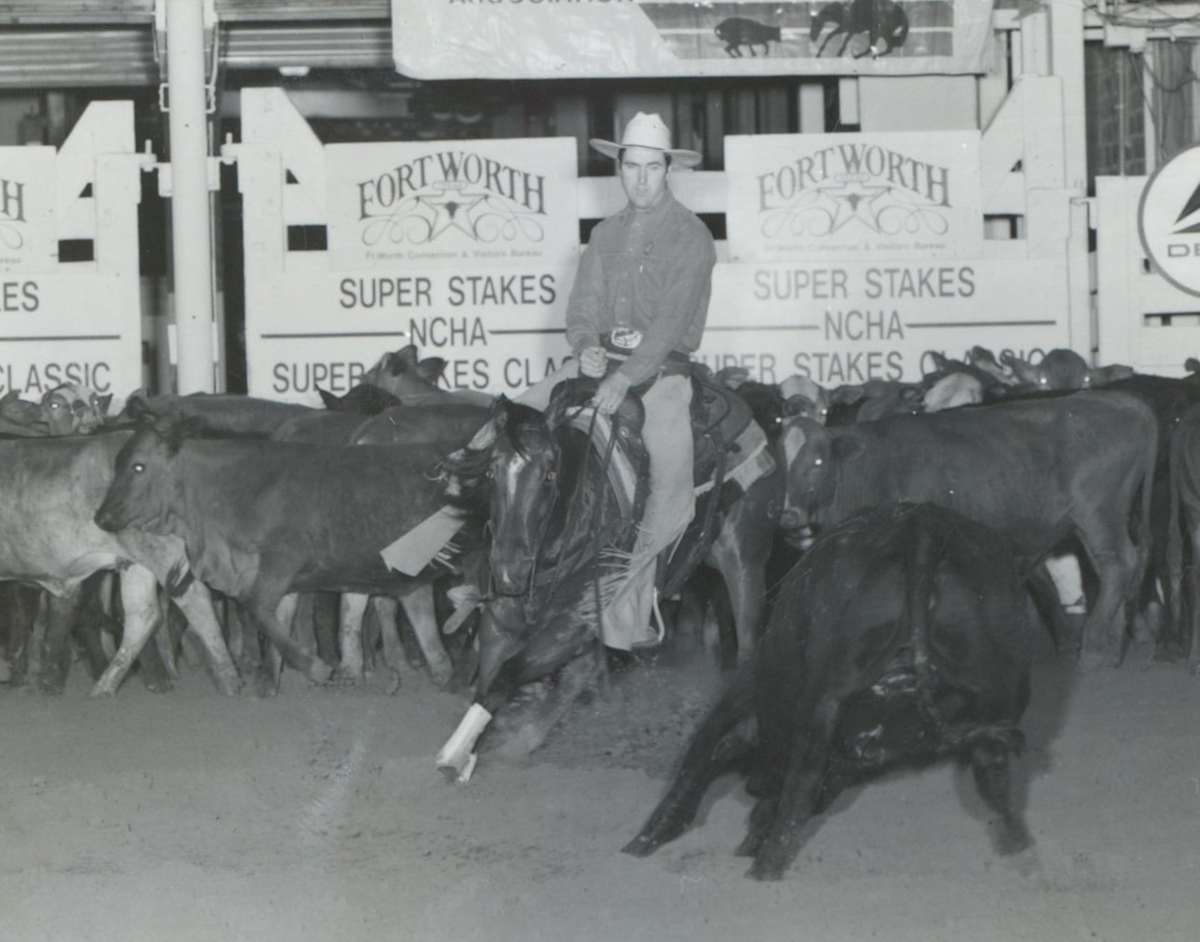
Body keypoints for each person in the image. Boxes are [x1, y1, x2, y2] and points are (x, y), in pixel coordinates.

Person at [506, 112, 716, 649]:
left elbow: (670, 326)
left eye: (652, 167)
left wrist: (624, 377)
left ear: (668, 169)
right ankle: (477, 562)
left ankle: (629, 616)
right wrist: (586, 347)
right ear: (618, 170)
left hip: (661, 372)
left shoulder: (691, 236)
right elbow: (582, 308)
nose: (641, 179)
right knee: (511, 424)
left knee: (669, 482)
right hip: (603, 361)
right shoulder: (604, 233)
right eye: (631, 167)